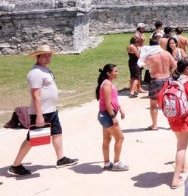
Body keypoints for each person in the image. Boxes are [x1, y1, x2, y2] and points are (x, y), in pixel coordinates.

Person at [9, 45, 78, 176]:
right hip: (41, 112)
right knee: (31, 139)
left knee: (57, 133)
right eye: (44, 56)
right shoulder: (35, 73)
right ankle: (15, 165)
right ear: (38, 56)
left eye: (49, 55)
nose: (47, 58)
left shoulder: (45, 70)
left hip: (51, 110)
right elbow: (35, 95)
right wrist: (39, 116)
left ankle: (61, 159)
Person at [163, 58, 188, 189]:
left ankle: (184, 167)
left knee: (180, 144)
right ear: (186, 69)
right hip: (186, 120)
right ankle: (175, 180)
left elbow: (160, 98)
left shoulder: (170, 81)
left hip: (173, 119)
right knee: (181, 148)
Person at [138, 38, 177, 130]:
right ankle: (172, 124)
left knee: (153, 104)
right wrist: (170, 73)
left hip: (156, 80)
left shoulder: (150, 57)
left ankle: (154, 125)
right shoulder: (166, 53)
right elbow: (174, 65)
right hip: (167, 79)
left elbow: (144, 65)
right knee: (169, 103)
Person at [95, 63, 128, 171]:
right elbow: (108, 103)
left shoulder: (108, 82)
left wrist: (121, 109)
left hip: (104, 115)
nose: (117, 73)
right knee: (120, 138)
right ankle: (117, 163)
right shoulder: (107, 84)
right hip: (107, 115)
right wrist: (114, 117)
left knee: (107, 139)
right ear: (109, 73)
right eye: (115, 71)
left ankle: (106, 163)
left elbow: (113, 100)